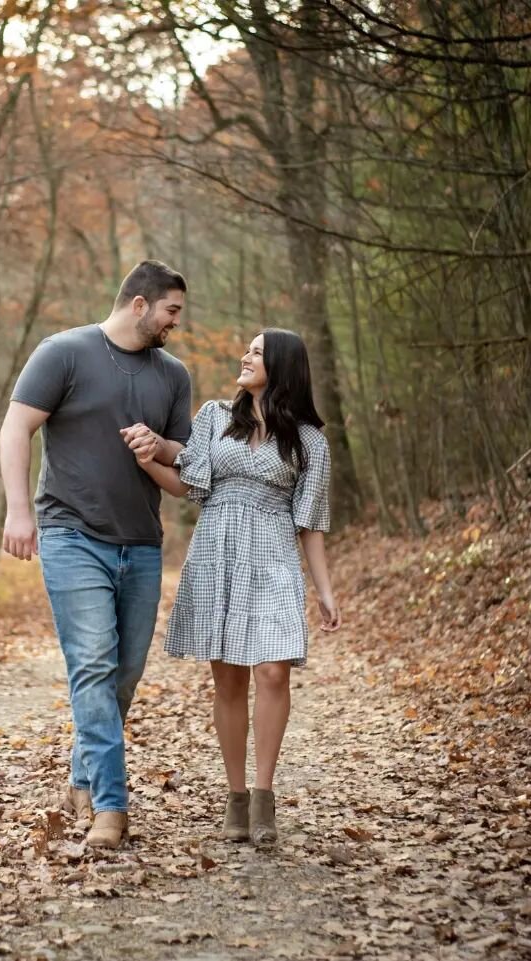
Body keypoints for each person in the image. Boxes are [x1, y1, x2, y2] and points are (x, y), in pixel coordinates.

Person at [0, 260, 193, 850]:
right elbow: (15, 429)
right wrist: (17, 511)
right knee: (92, 665)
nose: (175, 323)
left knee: (124, 677)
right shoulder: (63, 352)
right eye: (171, 311)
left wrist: (157, 448)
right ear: (140, 304)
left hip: (139, 541)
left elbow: (184, 467)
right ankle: (111, 809)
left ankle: (81, 779)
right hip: (70, 532)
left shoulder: (174, 375)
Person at [124, 328, 340, 846]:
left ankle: (265, 796)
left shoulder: (310, 442)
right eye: (246, 349)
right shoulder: (215, 418)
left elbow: (310, 524)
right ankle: (236, 797)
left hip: (273, 557)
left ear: (283, 366)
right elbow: (189, 485)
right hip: (217, 549)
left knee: (272, 670)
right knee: (229, 680)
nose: (245, 357)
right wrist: (148, 462)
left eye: (258, 352)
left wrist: (325, 590)